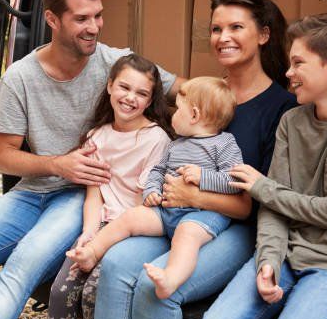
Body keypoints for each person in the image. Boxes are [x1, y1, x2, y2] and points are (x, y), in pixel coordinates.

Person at [0, 0, 180, 319]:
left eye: (98, 16)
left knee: (23, 265)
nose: (94, 27)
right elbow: (3, 155)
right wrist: (58, 164)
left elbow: (189, 92)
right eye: (81, 19)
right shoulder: (20, 77)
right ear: (52, 19)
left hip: (81, 197)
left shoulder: (115, 63)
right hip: (33, 190)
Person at [93, 0, 297, 319]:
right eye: (216, 29)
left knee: (153, 290)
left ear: (263, 35)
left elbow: (253, 206)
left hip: (235, 227)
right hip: (175, 213)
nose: (223, 37)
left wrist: (194, 195)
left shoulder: (281, 109)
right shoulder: (204, 93)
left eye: (236, 27)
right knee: (114, 266)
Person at [198, 12, 327, 319]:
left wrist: (263, 188)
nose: (288, 72)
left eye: (298, 63)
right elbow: (273, 209)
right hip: (285, 254)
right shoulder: (291, 121)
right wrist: (268, 260)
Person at [68, 76, 243, 301]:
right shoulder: (176, 144)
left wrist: (203, 177)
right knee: (132, 217)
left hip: (202, 216)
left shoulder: (224, 144)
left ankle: (171, 279)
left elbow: (234, 183)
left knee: (186, 236)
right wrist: (151, 190)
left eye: (178, 110)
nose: (173, 115)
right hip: (166, 210)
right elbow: (158, 171)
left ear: (195, 115)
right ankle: (92, 252)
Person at [47, 54, 173, 319]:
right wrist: (88, 233)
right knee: (60, 292)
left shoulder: (156, 139)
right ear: (110, 86)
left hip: (132, 232)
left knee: (95, 294)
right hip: (103, 224)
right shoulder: (97, 137)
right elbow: (95, 195)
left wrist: (104, 242)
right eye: (124, 87)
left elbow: (143, 206)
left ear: (150, 101)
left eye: (141, 93)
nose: (130, 98)